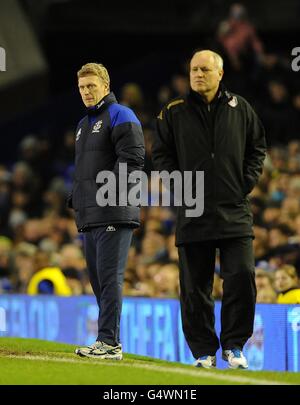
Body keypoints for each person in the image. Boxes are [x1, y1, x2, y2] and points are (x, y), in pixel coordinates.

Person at [152, 50, 266, 369]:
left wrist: (244, 183)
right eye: (193, 69)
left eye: (204, 69)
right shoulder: (172, 112)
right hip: (193, 212)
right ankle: (204, 350)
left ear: (220, 73)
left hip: (234, 210)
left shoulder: (240, 107)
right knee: (194, 287)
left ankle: (234, 345)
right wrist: (182, 188)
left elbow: (257, 148)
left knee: (242, 276)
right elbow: (161, 155)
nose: (198, 74)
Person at [68, 63, 144, 359]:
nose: (87, 92)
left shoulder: (121, 114)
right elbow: (85, 168)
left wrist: (106, 193)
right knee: (99, 279)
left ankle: (108, 342)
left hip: (114, 210)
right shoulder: (82, 124)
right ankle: (110, 341)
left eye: (91, 86)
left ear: (106, 85)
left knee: (110, 277)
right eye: (82, 88)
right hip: (91, 215)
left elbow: (134, 158)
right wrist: (77, 196)